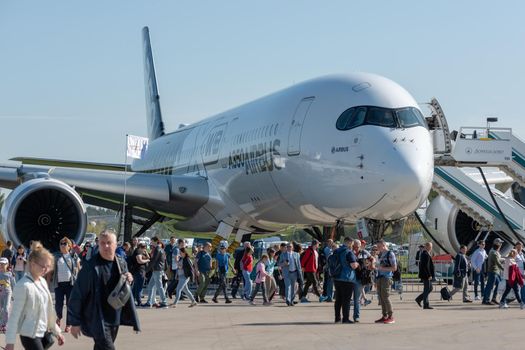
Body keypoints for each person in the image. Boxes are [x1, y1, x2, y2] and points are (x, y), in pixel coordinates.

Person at [68, 230, 140, 350]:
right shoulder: (90, 267)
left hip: (115, 316)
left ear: (116, 244)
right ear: (98, 245)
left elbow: (125, 290)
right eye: (102, 243)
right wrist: (74, 321)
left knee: (100, 347)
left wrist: (130, 281)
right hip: (97, 318)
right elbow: (77, 294)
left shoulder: (121, 263)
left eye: (109, 243)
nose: (106, 246)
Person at [5, 246, 65, 350]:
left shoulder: (42, 282)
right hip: (29, 335)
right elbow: (14, 316)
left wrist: (57, 332)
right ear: (32, 264)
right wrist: (10, 342)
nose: (46, 269)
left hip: (42, 333)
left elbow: (49, 311)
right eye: (43, 266)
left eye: (48, 266)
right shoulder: (23, 285)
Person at [51, 237, 81, 333]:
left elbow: (79, 268)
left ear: (69, 246)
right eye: (61, 244)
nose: (62, 245)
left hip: (70, 284)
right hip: (59, 283)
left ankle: (68, 324)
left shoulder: (73, 256)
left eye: (65, 244)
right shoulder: (56, 256)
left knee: (69, 304)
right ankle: (59, 317)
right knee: (58, 304)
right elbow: (51, 269)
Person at [332, 237, 359, 324]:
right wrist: (358, 263)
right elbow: (353, 265)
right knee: (346, 300)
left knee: (338, 299)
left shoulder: (337, 250)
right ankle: (345, 318)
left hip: (337, 277)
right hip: (347, 278)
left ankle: (337, 318)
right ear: (350, 243)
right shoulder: (348, 252)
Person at [375, 240, 397, 324]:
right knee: (381, 297)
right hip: (380, 277)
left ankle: (391, 316)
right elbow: (379, 265)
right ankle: (384, 316)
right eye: (377, 246)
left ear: (384, 245)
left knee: (385, 296)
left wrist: (382, 268)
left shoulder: (390, 254)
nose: (378, 248)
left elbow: (394, 268)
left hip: (386, 277)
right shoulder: (380, 254)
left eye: (379, 246)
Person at [144, 237, 168, 308]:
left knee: (159, 286)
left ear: (156, 241)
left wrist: (146, 270)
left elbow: (153, 260)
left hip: (157, 270)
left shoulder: (157, 249)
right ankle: (149, 302)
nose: (151, 243)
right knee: (151, 286)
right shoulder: (160, 249)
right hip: (157, 270)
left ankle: (164, 302)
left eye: (152, 241)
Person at [351, 239, 372, 321]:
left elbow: (372, 259)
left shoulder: (364, 252)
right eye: (354, 246)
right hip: (349, 278)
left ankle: (356, 316)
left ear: (360, 246)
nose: (356, 248)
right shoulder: (350, 252)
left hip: (359, 278)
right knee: (346, 298)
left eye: (358, 246)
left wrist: (371, 265)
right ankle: (344, 316)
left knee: (357, 298)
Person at [482, 238, 504, 305]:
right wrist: (504, 269)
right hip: (493, 271)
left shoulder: (495, 251)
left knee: (499, 284)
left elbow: (498, 259)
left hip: (496, 272)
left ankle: (493, 298)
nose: (501, 244)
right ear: (497, 244)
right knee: (490, 286)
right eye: (500, 243)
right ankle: (486, 300)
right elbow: (497, 262)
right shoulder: (493, 252)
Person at [415, 242, 435, 309]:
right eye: (430, 246)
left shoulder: (426, 253)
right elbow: (425, 266)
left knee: (430, 288)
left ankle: (419, 299)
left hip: (426, 274)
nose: (431, 248)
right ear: (427, 247)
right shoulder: (425, 254)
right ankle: (426, 304)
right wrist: (429, 275)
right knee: (427, 289)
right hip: (426, 275)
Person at [0, 257, 15, 332]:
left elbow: (13, 284)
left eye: (3, 264)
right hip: (0, 295)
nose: (2, 265)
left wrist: (15, 294)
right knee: (1, 310)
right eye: (0, 264)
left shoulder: (9, 274)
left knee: (6, 309)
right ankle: (1, 324)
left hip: (8, 293)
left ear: (7, 264)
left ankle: (5, 325)